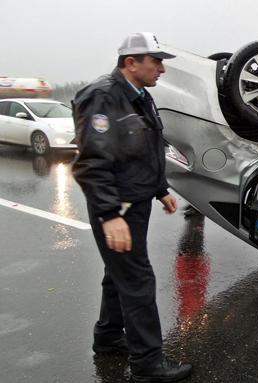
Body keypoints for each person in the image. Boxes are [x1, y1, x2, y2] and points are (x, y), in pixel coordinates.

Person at [71, 32, 192, 382]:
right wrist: (110, 215)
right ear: (131, 62)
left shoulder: (138, 96)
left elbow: (142, 148)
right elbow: (92, 163)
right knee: (137, 279)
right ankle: (148, 365)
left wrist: (160, 189)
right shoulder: (103, 97)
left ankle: (109, 337)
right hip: (118, 206)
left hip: (134, 200)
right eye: (156, 61)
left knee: (119, 274)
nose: (162, 70)